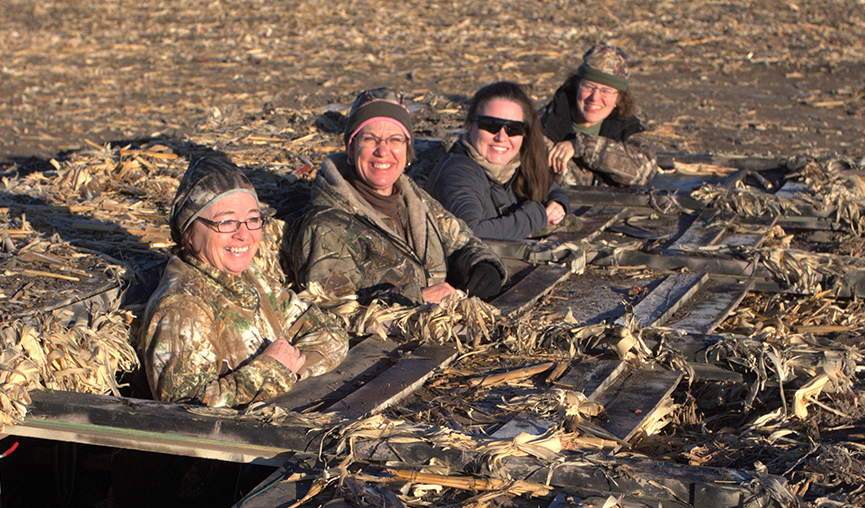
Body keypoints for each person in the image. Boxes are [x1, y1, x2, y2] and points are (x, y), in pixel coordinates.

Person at [140, 156, 348, 407]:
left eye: (252, 220)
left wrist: (291, 370)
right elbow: (184, 412)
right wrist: (272, 370)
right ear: (188, 233)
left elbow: (332, 333)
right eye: (226, 222)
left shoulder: (253, 280)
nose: (244, 235)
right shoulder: (182, 309)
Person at [286, 87, 506, 308]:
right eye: (370, 139)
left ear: (407, 149)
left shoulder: (414, 199)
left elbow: (462, 240)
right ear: (351, 148)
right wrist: (417, 298)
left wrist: (484, 265)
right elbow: (331, 310)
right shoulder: (327, 225)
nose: (383, 151)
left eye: (395, 140)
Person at [425, 81, 569, 241]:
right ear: (469, 125)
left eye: (513, 129)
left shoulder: (513, 166)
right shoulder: (458, 173)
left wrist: (558, 203)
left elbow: (550, 188)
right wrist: (535, 216)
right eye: (490, 125)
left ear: (525, 134)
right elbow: (470, 234)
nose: (501, 137)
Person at [542, 44, 658, 187]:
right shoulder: (544, 124)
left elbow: (644, 170)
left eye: (606, 91)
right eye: (589, 87)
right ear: (576, 85)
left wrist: (582, 146)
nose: (595, 98)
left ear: (619, 98)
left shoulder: (625, 126)